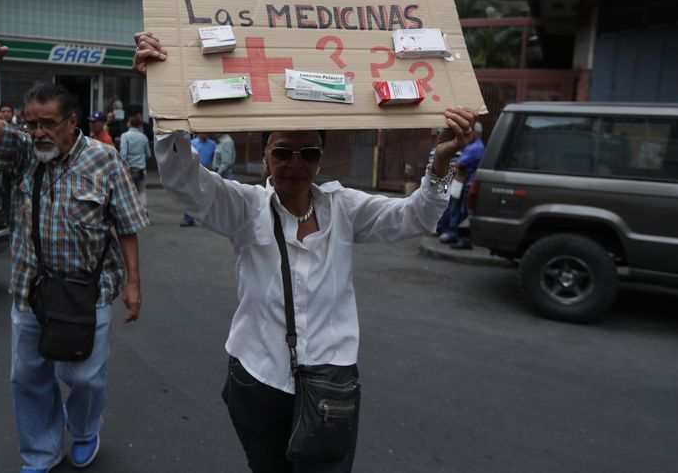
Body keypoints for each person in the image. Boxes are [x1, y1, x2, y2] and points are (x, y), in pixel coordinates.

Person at [133, 31, 477, 473]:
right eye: (283, 152)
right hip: (258, 379)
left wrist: (442, 162)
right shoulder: (245, 207)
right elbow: (183, 180)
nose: (295, 163)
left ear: (321, 160)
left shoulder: (345, 208)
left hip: (332, 383)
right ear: (264, 158)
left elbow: (417, 218)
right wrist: (165, 94)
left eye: (308, 152)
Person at [0, 32, 147, 473]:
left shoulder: (105, 161)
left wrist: (133, 284)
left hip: (91, 292)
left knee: (84, 377)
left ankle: (85, 430)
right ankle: (41, 451)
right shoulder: (23, 152)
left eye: (48, 123)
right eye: (31, 123)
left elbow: (126, 226)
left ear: (72, 123)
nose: (38, 132)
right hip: (30, 290)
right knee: (28, 376)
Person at [437, 123, 484, 250]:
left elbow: (459, 164)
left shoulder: (476, 147)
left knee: (459, 209)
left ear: (476, 133)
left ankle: (455, 234)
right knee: (456, 208)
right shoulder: (473, 146)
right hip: (464, 181)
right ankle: (452, 232)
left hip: (467, 182)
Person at [179, 133, 217, 227]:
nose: (206, 134)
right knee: (191, 195)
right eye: (204, 132)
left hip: (208, 172)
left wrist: (213, 165)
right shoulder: (192, 143)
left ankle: (205, 219)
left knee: (207, 195)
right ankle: (188, 218)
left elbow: (214, 156)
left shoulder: (212, 144)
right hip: (194, 172)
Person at [119, 115, 151, 221]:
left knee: (128, 191)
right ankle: (144, 210)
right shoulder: (143, 137)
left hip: (129, 169)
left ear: (129, 123)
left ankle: (130, 213)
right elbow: (148, 154)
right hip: (141, 169)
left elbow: (123, 153)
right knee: (141, 190)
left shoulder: (125, 136)